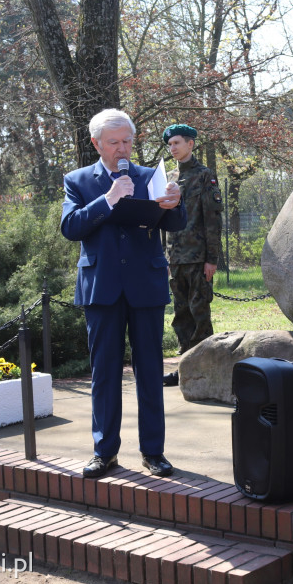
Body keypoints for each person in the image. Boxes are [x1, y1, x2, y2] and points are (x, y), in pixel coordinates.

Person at [60, 109, 186, 478]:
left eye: (127, 141)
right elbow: (70, 227)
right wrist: (109, 199)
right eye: (114, 142)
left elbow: (176, 223)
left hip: (145, 286)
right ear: (96, 143)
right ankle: (104, 452)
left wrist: (175, 202)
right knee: (105, 372)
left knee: (150, 371)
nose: (122, 148)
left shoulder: (150, 176)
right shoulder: (78, 180)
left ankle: (154, 452)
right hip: (101, 288)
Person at [161, 124, 222, 386]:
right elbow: (163, 219)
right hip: (176, 260)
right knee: (181, 316)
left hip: (198, 259)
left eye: (176, 143)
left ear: (190, 144)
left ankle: (205, 369)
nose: (172, 148)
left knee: (200, 315)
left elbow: (212, 221)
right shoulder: (169, 178)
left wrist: (211, 259)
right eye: (170, 144)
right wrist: (165, 258)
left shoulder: (204, 175)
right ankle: (186, 369)